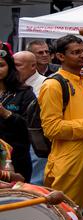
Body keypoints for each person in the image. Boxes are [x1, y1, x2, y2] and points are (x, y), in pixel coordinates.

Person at [39, 34, 83, 208]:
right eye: (75, 52)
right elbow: (52, 129)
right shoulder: (53, 85)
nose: (82, 56)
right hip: (70, 165)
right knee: (67, 216)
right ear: (60, 56)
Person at [0, 48, 35, 181]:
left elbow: (31, 126)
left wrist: (7, 114)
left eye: (1, 65)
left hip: (17, 158)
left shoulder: (25, 93)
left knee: (16, 197)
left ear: (10, 67)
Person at [13, 50, 46, 183]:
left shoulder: (45, 84)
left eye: (18, 65)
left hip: (37, 141)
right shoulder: (11, 86)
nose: (13, 69)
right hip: (16, 142)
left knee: (33, 183)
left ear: (33, 66)